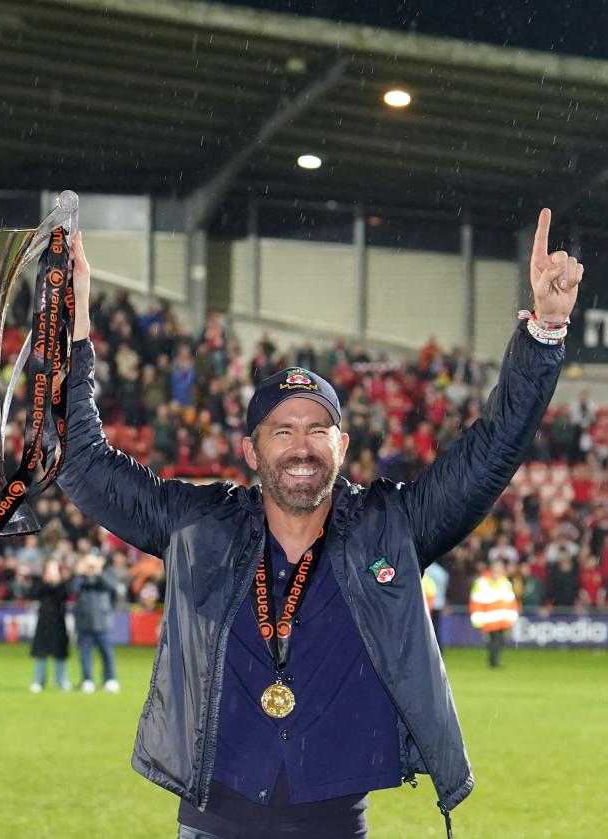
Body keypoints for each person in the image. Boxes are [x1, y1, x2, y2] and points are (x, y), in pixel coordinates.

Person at [56, 209, 580, 838]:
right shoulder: (200, 527)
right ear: (253, 451)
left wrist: (545, 330)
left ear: (342, 444)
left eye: (316, 430)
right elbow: (81, 462)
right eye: (282, 430)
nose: (300, 447)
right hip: (211, 825)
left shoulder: (389, 529)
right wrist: (74, 320)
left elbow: (492, 450)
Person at [71, 552, 119, 694]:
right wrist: (79, 573)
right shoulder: (80, 578)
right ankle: (87, 680)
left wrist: (98, 572)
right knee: (85, 654)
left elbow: (112, 586)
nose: (90, 566)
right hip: (84, 622)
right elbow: (73, 589)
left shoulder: (105, 574)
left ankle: (110, 680)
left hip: (102, 622)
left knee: (107, 654)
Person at [28, 558, 71, 692]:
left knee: (60, 652)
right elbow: (34, 594)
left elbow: (64, 595)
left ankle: (61, 680)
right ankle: (38, 681)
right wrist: (47, 582)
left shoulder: (63, 584)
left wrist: (58, 581)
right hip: (44, 621)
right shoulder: (39, 582)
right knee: (41, 652)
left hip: (59, 621)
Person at [469, 560, 519, 668]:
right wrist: (478, 617)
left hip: (502, 618)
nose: (498, 572)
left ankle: (494, 660)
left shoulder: (505, 582)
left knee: (500, 641)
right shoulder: (482, 582)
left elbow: (511, 600)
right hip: (489, 618)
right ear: (492, 570)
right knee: (495, 640)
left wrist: (512, 615)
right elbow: (476, 600)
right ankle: (494, 661)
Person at [422, 557, 450, 649]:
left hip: (427, 603)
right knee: (436, 627)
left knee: (426, 627)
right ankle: (438, 648)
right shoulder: (441, 571)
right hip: (438, 603)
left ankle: (428, 647)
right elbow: (445, 584)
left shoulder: (425, 569)